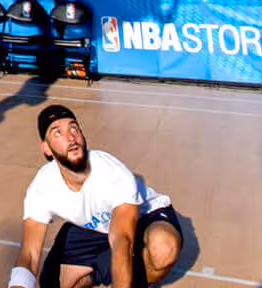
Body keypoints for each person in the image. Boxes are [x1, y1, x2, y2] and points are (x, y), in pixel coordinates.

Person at [16, 104, 181, 288]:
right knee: (51, 284)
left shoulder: (112, 173)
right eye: (57, 133)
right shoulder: (41, 187)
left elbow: (122, 241)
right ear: (46, 148)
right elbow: (29, 255)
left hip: (145, 216)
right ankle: (98, 272)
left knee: (163, 249)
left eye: (73, 128)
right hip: (96, 225)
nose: (70, 137)